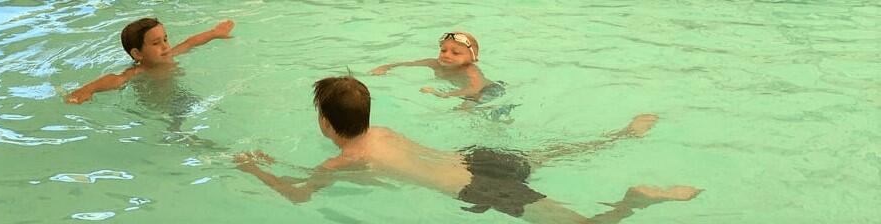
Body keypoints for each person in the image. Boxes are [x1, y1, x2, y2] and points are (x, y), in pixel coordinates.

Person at [234, 76, 702, 223]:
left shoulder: (346, 160)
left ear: (323, 122)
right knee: (557, 152)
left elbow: (298, 195)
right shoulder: (384, 134)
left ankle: (632, 201)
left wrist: (255, 170)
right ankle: (619, 135)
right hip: (475, 158)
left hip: (478, 185)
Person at [65, 18, 234, 148]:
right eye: (156, 43)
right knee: (180, 131)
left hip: (181, 97)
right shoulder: (138, 71)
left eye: (165, 39)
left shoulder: (169, 55)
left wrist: (215, 33)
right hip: (161, 107)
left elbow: (190, 42)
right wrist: (87, 89)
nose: (165, 46)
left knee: (220, 115)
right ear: (137, 54)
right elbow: (116, 79)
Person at [370, 32, 508, 110]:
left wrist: (443, 94)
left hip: (490, 90)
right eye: (443, 50)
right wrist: (386, 67)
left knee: (462, 110)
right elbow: (409, 64)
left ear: (473, 59)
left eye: (455, 53)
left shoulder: (470, 70)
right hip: (467, 93)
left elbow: (475, 88)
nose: (447, 55)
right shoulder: (434, 63)